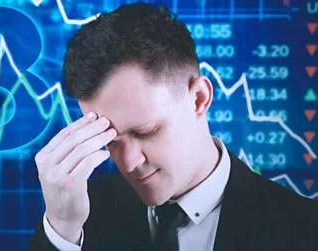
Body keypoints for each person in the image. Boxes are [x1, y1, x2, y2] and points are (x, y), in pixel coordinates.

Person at [29, 3, 318, 251]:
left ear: (199, 99)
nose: (128, 163)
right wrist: (62, 230)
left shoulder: (304, 230)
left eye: (146, 132)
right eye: (110, 140)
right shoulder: (79, 220)